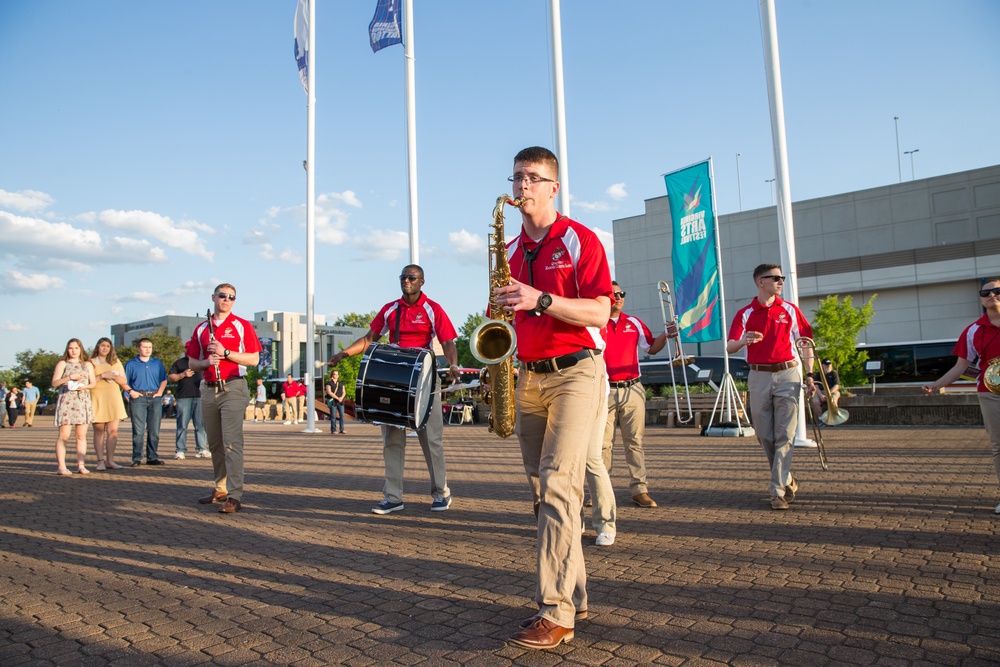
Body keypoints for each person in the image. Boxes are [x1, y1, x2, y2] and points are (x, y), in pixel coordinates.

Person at [494, 146, 613, 650]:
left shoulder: (579, 239)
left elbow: (602, 312)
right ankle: (576, 594)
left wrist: (540, 299)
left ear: (553, 187)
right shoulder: (510, 250)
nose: (522, 186)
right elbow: (506, 314)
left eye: (532, 178)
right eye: (517, 177)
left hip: (576, 372)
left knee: (562, 486)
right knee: (544, 495)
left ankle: (556, 611)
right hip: (528, 377)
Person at [326, 263, 460, 515]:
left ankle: (441, 493)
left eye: (412, 277)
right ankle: (393, 496)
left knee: (431, 440)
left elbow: (448, 341)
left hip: (426, 380)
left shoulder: (433, 309)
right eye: (403, 277)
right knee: (392, 441)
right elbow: (369, 339)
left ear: (422, 282)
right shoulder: (390, 309)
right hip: (396, 381)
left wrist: (453, 364)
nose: (406, 281)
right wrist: (343, 354)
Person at [727, 264, 813, 511]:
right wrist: (744, 340)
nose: (780, 281)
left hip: (788, 374)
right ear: (760, 282)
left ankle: (777, 491)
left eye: (782, 278)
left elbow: (806, 343)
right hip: (758, 375)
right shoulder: (745, 313)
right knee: (765, 435)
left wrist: (810, 375)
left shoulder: (789, 309)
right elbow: (730, 346)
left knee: (785, 434)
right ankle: (786, 479)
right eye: (775, 278)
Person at [923, 278, 1000, 514]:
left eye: (997, 291)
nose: (991, 295)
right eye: (985, 292)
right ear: (980, 299)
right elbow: (961, 366)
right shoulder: (973, 330)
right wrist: (936, 385)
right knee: (999, 445)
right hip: (991, 393)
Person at [187, 283, 262, 514]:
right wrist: (207, 362)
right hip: (209, 388)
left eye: (231, 297)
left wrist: (226, 353)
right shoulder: (201, 328)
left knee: (231, 442)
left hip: (233, 387)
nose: (227, 300)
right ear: (214, 297)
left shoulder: (241, 325)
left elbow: (254, 359)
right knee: (215, 443)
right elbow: (192, 363)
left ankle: (234, 494)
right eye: (223, 296)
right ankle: (220, 488)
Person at [603, 281, 668, 508]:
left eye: (622, 293)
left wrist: (666, 335)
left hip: (632, 389)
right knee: (602, 445)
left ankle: (639, 490)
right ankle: (601, 492)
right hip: (604, 391)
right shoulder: (593, 324)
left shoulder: (634, 322)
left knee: (635, 443)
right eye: (614, 294)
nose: (619, 297)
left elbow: (650, 347)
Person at [52, 338, 97, 475]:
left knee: (81, 435)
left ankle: (81, 465)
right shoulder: (63, 363)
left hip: (82, 400)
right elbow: (54, 382)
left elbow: (93, 383)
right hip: (67, 400)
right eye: (71, 348)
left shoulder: (87, 364)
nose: (73, 351)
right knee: (64, 435)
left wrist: (85, 386)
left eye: (76, 348)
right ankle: (61, 466)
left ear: (81, 349)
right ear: (67, 349)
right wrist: (69, 377)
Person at [123, 338, 168, 467]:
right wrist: (129, 393)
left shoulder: (157, 363)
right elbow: (124, 381)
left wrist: (160, 392)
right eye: (144, 347)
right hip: (138, 397)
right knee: (138, 430)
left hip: (154, 398)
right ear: (138, 348)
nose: (147, 349)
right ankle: (136, 458)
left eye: (150, 347)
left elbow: (163, 379)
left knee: (154, 430)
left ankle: (152, 457)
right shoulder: (131, 364)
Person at [90, 337, 128, 471]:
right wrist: (102, 375)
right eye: (102, 345)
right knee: (99, 431)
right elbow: (87, 381)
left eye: (108, 346)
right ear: (97, 347)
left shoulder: (115, 361)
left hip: (113, 398)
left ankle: (110, 460)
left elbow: (124, 380)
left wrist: (114, 376)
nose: (105, 348)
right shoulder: (90, 362)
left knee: (113, 431)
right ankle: (100, 461)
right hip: (98, 397)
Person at [168, 356, 209, 459]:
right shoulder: (179, 362)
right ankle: (180, 450)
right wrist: (183, 375)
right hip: (183, 397)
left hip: (200, 396)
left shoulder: (203, 362)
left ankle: (201, 449)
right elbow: (171, 377)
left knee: (201, 425)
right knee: (182, 424)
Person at [325, 369, 346, 434]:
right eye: (334, 374)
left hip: (340, 401)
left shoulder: (340, 383)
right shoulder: (329, 383)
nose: (336, 375)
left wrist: (341, 397)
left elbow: (344, 391)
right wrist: (337, 398)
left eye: (337, 374)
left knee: (342, 415)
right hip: (333, 401)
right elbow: (329, 392)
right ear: (332, 375)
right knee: (333, 416)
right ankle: (333, 430)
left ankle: (342, 429)